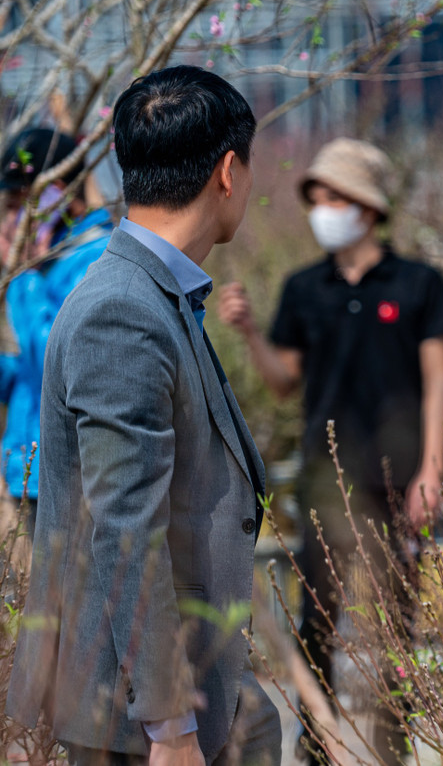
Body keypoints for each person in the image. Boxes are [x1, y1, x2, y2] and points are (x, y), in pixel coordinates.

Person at [6, 66, 279, 765]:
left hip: (181, 683)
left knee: (262, 726)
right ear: (227, 171)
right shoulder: (123, 310)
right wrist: (171, 725)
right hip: (138, 711)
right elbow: (125, 531)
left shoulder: (151, 290)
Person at [217, 137, 443, 763]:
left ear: (367, 206)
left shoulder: (418, 284)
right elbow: (282, 380)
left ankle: (393, 744)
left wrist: (432, 467)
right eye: (316, 198)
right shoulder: (303, 289)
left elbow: (438, 381)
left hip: (398, 478)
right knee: (317, 618)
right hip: (326, 478)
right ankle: (316, 746)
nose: (322, 209)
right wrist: (248, 333)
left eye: (334, 198)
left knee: (393, 624)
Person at [0, 126, 115, 509]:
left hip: (71, 479)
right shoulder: (47, 263)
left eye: (22, 204)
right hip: (29, 473)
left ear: (62, 194)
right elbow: (23, 377)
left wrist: (21, 277)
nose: (12, 221)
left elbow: (57, 363)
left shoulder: (96, 258)